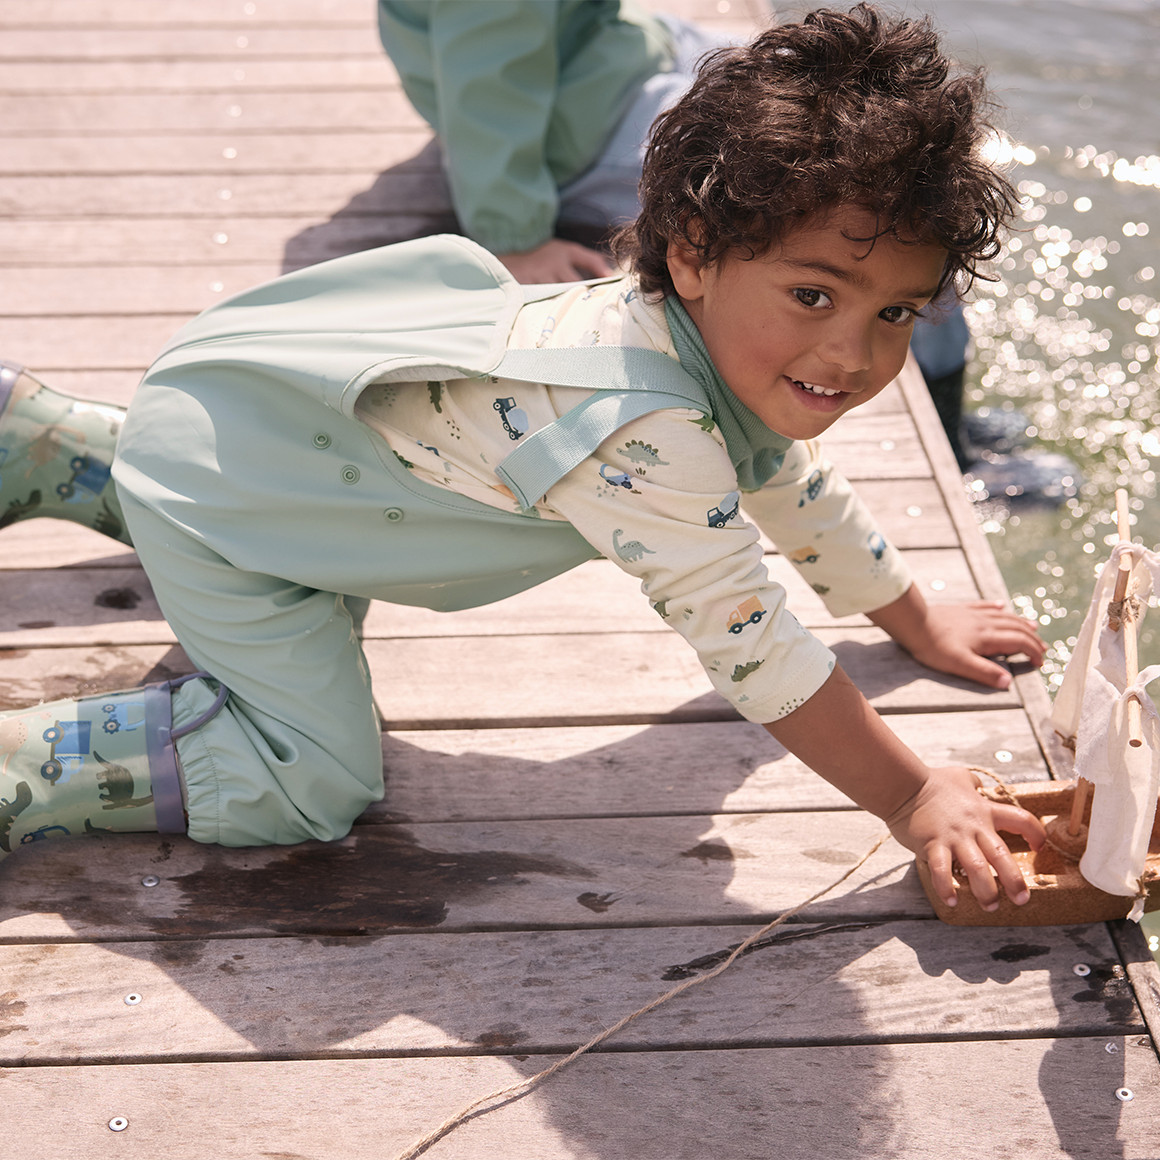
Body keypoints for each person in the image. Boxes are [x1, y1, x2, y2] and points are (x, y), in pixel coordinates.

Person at [0, 4, 1047, 914]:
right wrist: (912, 795)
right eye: (813, 294)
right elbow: (753, 644)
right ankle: (22, 766)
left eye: (895, 311)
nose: (851, 353)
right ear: (689, 251)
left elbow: (787, 481)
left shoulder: (695, 332)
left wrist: (911, 615)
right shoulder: (641, 428)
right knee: (311, 780)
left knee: (238, 488)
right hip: (244, 507)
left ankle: (51, 444)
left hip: (266, 427)